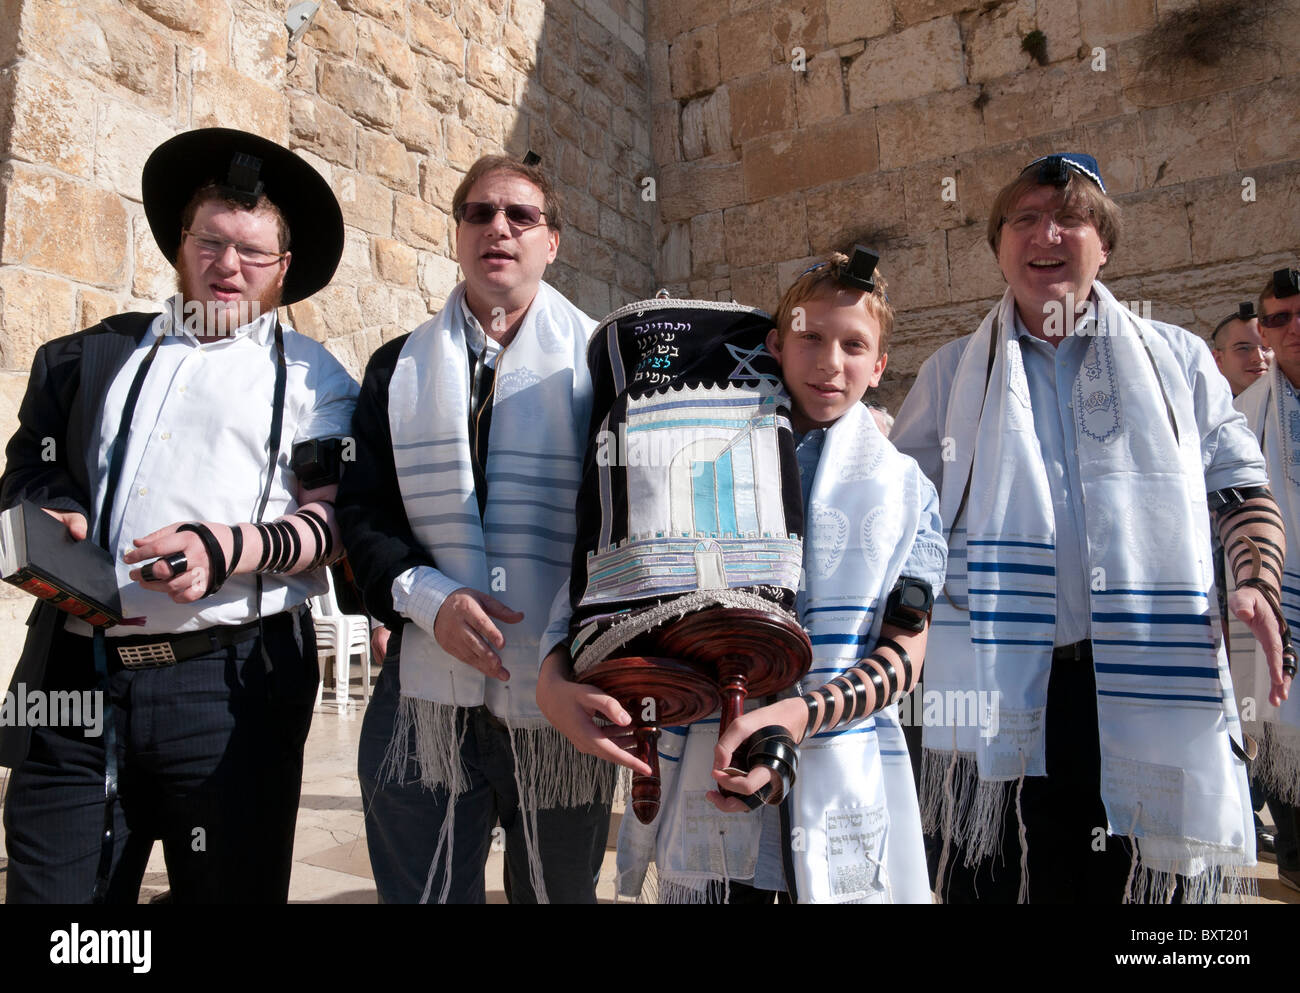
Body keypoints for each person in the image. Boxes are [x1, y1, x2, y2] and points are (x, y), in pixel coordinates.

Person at [890, 153, 1291, 903]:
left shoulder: (1178, 363)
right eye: (1025, 219)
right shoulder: (948, 378)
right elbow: (906, 523)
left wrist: (1256, 581)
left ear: (1104, 243)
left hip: (1147, 675)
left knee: (1152, 893)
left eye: (1070, 217)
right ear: (1000, 244)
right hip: (1006, 688)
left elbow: (1240, 491)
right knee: (1011, 882)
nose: (1047, 233)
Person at [0, 128, 358, 903]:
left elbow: (332, 524)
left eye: (253, 253)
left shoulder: (315, 378)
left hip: (229, 685)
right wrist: (52, 513)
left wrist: (227, 546)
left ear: (282, 270)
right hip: (74, 679)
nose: (228, 265)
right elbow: (27, 470)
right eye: (212, 241)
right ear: (180, 244)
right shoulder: (86, 355)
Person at [539, 250, 947, 903]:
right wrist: (552, 679)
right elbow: (611, 578)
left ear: (880, 366)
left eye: (853, 344)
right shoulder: (697, 450)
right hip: (707, 772)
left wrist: (798, 715)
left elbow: (905, 652)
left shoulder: (904, 494)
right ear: (775, 345)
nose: (829, 361)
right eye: (810, 337)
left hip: (837, 769)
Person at [336, 154, 614, 904]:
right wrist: (431, 599)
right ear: (458, 235)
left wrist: (566, 638)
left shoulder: (603, 363)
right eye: (480, 213)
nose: (499, 227)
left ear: (552, 243)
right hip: (426, 690)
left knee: (557, 894)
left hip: (558, 689)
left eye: (521, 216)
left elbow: (620, 526)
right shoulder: (397, 368)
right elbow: (359, 513)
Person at [1231, 266, 1300, 893]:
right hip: (1281, 600)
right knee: (1284, 738)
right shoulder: (1244, 414)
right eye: (1278, 318)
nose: (1292, 327)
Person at [1211, 302, 1271, 397]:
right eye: (1243, 348)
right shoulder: (1208, 410)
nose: (1259, 358)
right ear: (1218, 359)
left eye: (1266, 347)